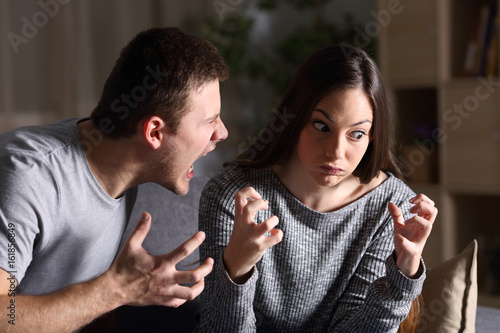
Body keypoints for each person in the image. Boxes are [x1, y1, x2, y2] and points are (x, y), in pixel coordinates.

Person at [0, 27, 229, 332]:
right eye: (210, 120)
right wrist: (117, 290)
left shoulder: (123, 176)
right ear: (154, 133)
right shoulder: (28, 176)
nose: (222, 133)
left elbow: (82, 307)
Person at [198, 44, 437, 332]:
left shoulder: (392, 206)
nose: (336, 152)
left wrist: (403, 273)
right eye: (322, 127)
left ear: (373, 137)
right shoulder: (232, 196)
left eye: (356, 134)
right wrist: (234, 271)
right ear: (294, 119)